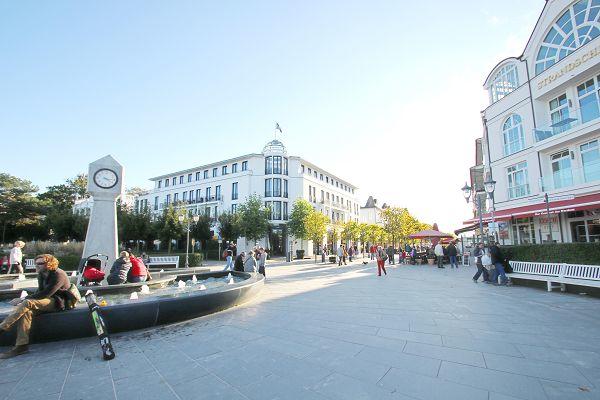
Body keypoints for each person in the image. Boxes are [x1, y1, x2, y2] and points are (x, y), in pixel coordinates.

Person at [0, 254, 72, 358]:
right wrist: (26, 298)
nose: (37, 266)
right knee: (26, 312)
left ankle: (2, 327)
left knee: (28, 302)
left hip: (59, 302)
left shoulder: (58, 274)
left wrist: (22, 299)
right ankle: (21, 346)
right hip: (46, 301)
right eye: (36, 263)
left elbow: (46, 293)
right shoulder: (42, 274)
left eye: (40, 263)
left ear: (49, 264)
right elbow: (39, 291)